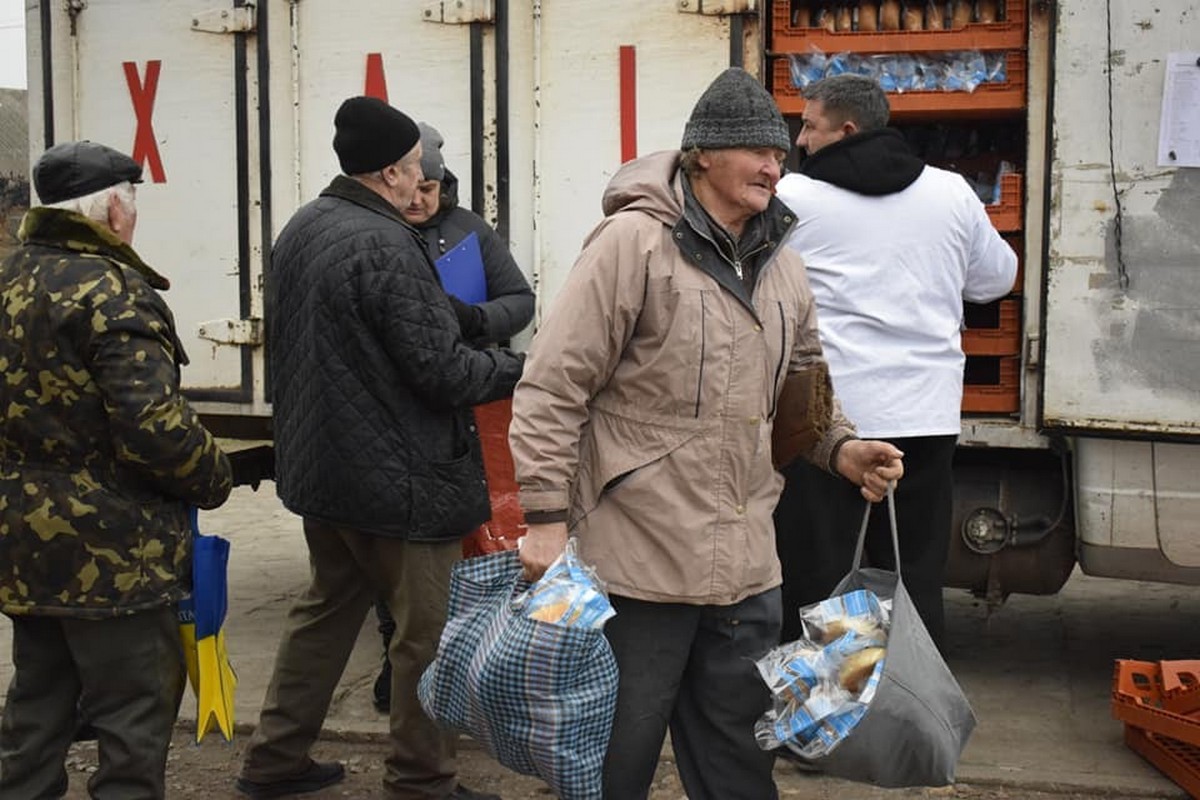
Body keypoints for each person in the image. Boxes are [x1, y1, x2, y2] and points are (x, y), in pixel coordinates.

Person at [507, 68, 905, 800]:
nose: (773, 166)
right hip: (636, 561)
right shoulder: (632, 244)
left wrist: (843, 450)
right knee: (612, 761)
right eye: (756, 151)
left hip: (747, 566)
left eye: (781, 153)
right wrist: (544, 519)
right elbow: (553, 384)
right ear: (701, 157)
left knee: (739, 762)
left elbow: (804, 392)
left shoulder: (783, 264)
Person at [235, 96, 522, 800]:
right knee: (426, 636)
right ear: (393, 172)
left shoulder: (307, 225)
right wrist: (518, 368)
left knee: (324, 616)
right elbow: (443, 372)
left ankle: (275, 761)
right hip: (402, 483)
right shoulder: (387, 243)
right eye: (417, 169)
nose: (422, 181)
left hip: (325, 474)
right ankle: (422, 779)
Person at [0, 140, 233, 799]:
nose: (134, 220)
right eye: (132, 206)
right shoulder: (113, 291)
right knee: (131, 715)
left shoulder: (10, 276)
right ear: (108, 208)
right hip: (110, 553)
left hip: (22, 544)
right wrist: (213, 475)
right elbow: (152, 426)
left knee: (37, 704)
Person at [773, 74, 1018, 646]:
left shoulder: (795, 197)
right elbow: (997, 278)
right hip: (925, 419)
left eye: (809, 126)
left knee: (815, 580)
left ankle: (815, 718)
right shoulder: (951, 192)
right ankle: (905, 715)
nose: (801, 141)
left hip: (827, 426)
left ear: (847, 129)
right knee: (911, 578)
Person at [370, 120, 536, 714]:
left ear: (445, 185)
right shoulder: (378, 235)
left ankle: (477, 648)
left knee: (474, 535)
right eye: (414, 188)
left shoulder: (469, 231)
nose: (418, 201)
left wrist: (469, 318)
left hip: (474, 400)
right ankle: (399, 661)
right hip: (406, 405)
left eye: (430, 191)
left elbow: (520, 301)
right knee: (408, 545)